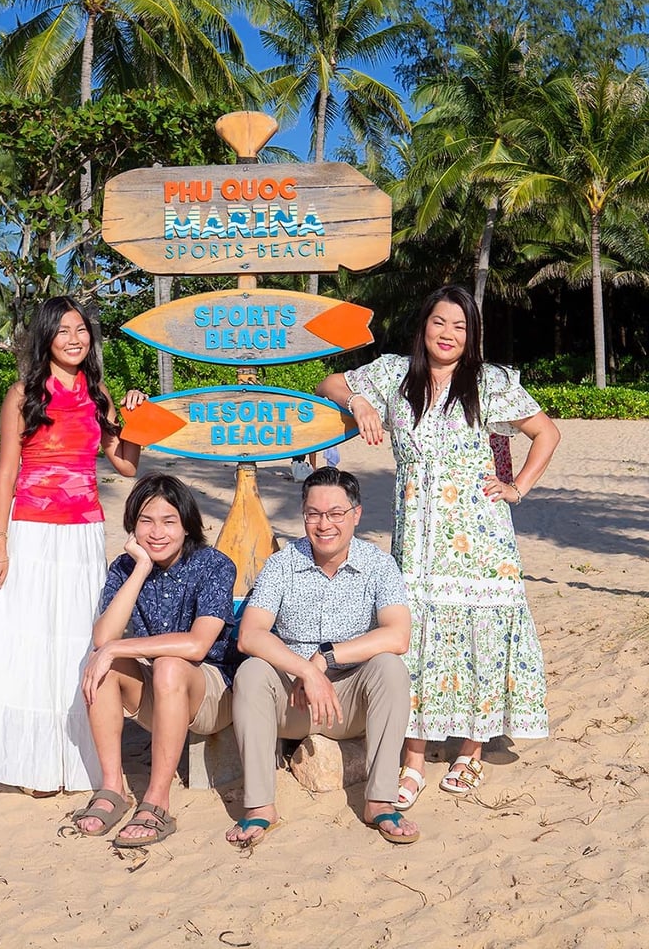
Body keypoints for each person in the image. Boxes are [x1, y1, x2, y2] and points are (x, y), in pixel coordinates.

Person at [316, 285, 560, 805]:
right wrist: (360, 402)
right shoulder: (393, 374)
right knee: (416, 640)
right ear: (423, 327)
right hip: (416, 542)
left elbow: (546, 433)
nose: (448, 335)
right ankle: (413, 761)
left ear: (471, 336)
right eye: (439, 323)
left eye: (460, 327)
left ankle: (470, 751)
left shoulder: (490, 383)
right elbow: (329, 380)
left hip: (482, 541)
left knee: (483, 640)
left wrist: (517, 487)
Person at [0, 296, 143, 794]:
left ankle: (74, 758)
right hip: (29, 530)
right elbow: (6, 473)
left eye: (82, 330)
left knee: (76, 637)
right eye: (64, 331)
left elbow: (128, 465)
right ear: (46, 337)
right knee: (27, 638)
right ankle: (30, 764)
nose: (75, 339)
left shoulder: (99, 395)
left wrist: (136, 418)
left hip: (83, 532)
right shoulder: (22, 394)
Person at [226, 466, 419, 848]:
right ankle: (261, 806)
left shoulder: (378, 565)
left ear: (356, 515)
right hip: (293, 698)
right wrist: (305, 670)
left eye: (335, 514)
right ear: (303, 515)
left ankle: (379, 800)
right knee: (251, 673)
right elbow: (250, 634)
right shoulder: (283, 564)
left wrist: (326, 658)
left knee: (390, 668)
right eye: (314, 513)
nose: (324, 524)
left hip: (349, 701)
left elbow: (398, 635)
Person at [73, 473, 239, 847]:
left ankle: (157, 800)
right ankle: (113, 788)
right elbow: (103, 637)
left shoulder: (214, 565)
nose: (157, 532)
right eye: (146, 521)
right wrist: (141, 569)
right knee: (102, 662)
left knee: (165, 663)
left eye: (169, 522)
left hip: (211, 692)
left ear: (186, 525)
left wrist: (118, 648)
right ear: (132, 526)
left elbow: (198, 646)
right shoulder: (124, 567)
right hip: (159, 691)